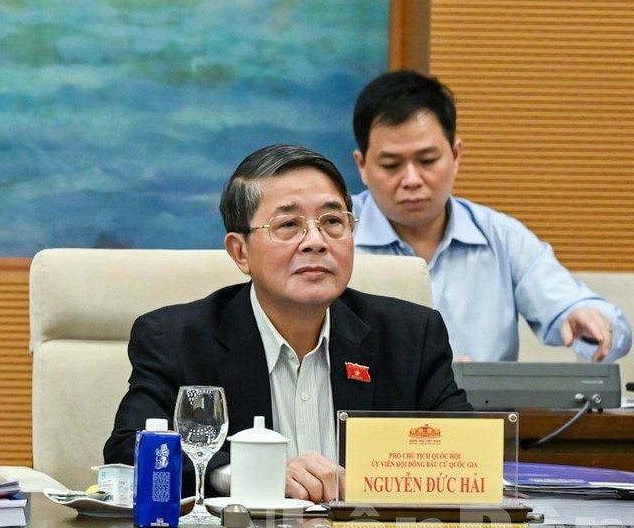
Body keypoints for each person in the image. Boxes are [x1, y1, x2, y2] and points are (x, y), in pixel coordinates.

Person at [105, 144, 468, 503]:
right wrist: (248, 474)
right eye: (289, 225)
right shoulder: (177, 339)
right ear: (240, 252)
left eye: (331, 222)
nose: (316, 242)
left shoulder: (410, 336)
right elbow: (129, 451)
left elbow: (467, 455)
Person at [351, 70, 630, 364]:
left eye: (427, 161)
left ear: (456, 156)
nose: (411, 179)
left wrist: (587, 319)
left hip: (484, 411)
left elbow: (598, 321)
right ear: (362, 166)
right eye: (391, 164)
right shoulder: (333, 235)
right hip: (365, 410)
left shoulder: (502, 237)